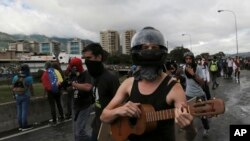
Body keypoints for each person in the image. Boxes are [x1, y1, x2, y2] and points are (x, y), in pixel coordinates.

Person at [100, 27, 196, 141]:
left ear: (162, 51)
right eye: (145, 47)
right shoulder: (128, 83)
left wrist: (189, 127)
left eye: (154, 47)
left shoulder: (174, 88)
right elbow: (104, 116)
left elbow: (190, 136)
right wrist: (119, 111)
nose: (149, 51)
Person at [82, 43, 120, 141]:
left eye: (89, 58)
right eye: (85, 58)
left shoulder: (111, 78)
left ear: (99, 57)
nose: (86, 61)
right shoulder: (93, 76)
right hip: (97, 126)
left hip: (110, 129)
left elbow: (120, 105)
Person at [183, 51, 210, 137]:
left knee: (202, 114)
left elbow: (202, 82)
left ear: (192, 59)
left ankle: (206, 129)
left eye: (190, 58)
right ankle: (192, 129)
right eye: (186, 59)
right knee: (189, 114)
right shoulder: (184, 68)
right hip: (188, 94)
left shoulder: (198, 68)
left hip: (198, 94)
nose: (188, 60)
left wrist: (193, 74)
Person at [68, 57, 94, 141]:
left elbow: (88, 87)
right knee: (75, 132)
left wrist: (73, 84)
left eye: (74, 67)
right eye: (72, 67)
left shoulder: (86, 74)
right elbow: (70, 87)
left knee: (79, 132)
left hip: (85, 105)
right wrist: (63, 85)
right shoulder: (73, 75)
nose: (73, 69)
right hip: (75, 104)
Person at [41, 62, 64, 126]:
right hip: (57, 90)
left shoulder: (45, 73)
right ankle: (62, 116)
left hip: (50, 92)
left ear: (46, 66)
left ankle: (54, 120)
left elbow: (45, 84)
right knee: (59, 103)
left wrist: (45, 93)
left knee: (52, 105)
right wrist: (58, 87)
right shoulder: (56, 71)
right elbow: (61, 80)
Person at [12, 64, 34, 131]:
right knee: (24, 111)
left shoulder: (16, 77)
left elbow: (13, 86)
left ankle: (20, 126)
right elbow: (31, 88)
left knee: (19, 111)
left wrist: (14, 94)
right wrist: (33, 94)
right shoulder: (29, 77)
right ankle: (24, 126)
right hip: (25, 95)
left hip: (17, 95)